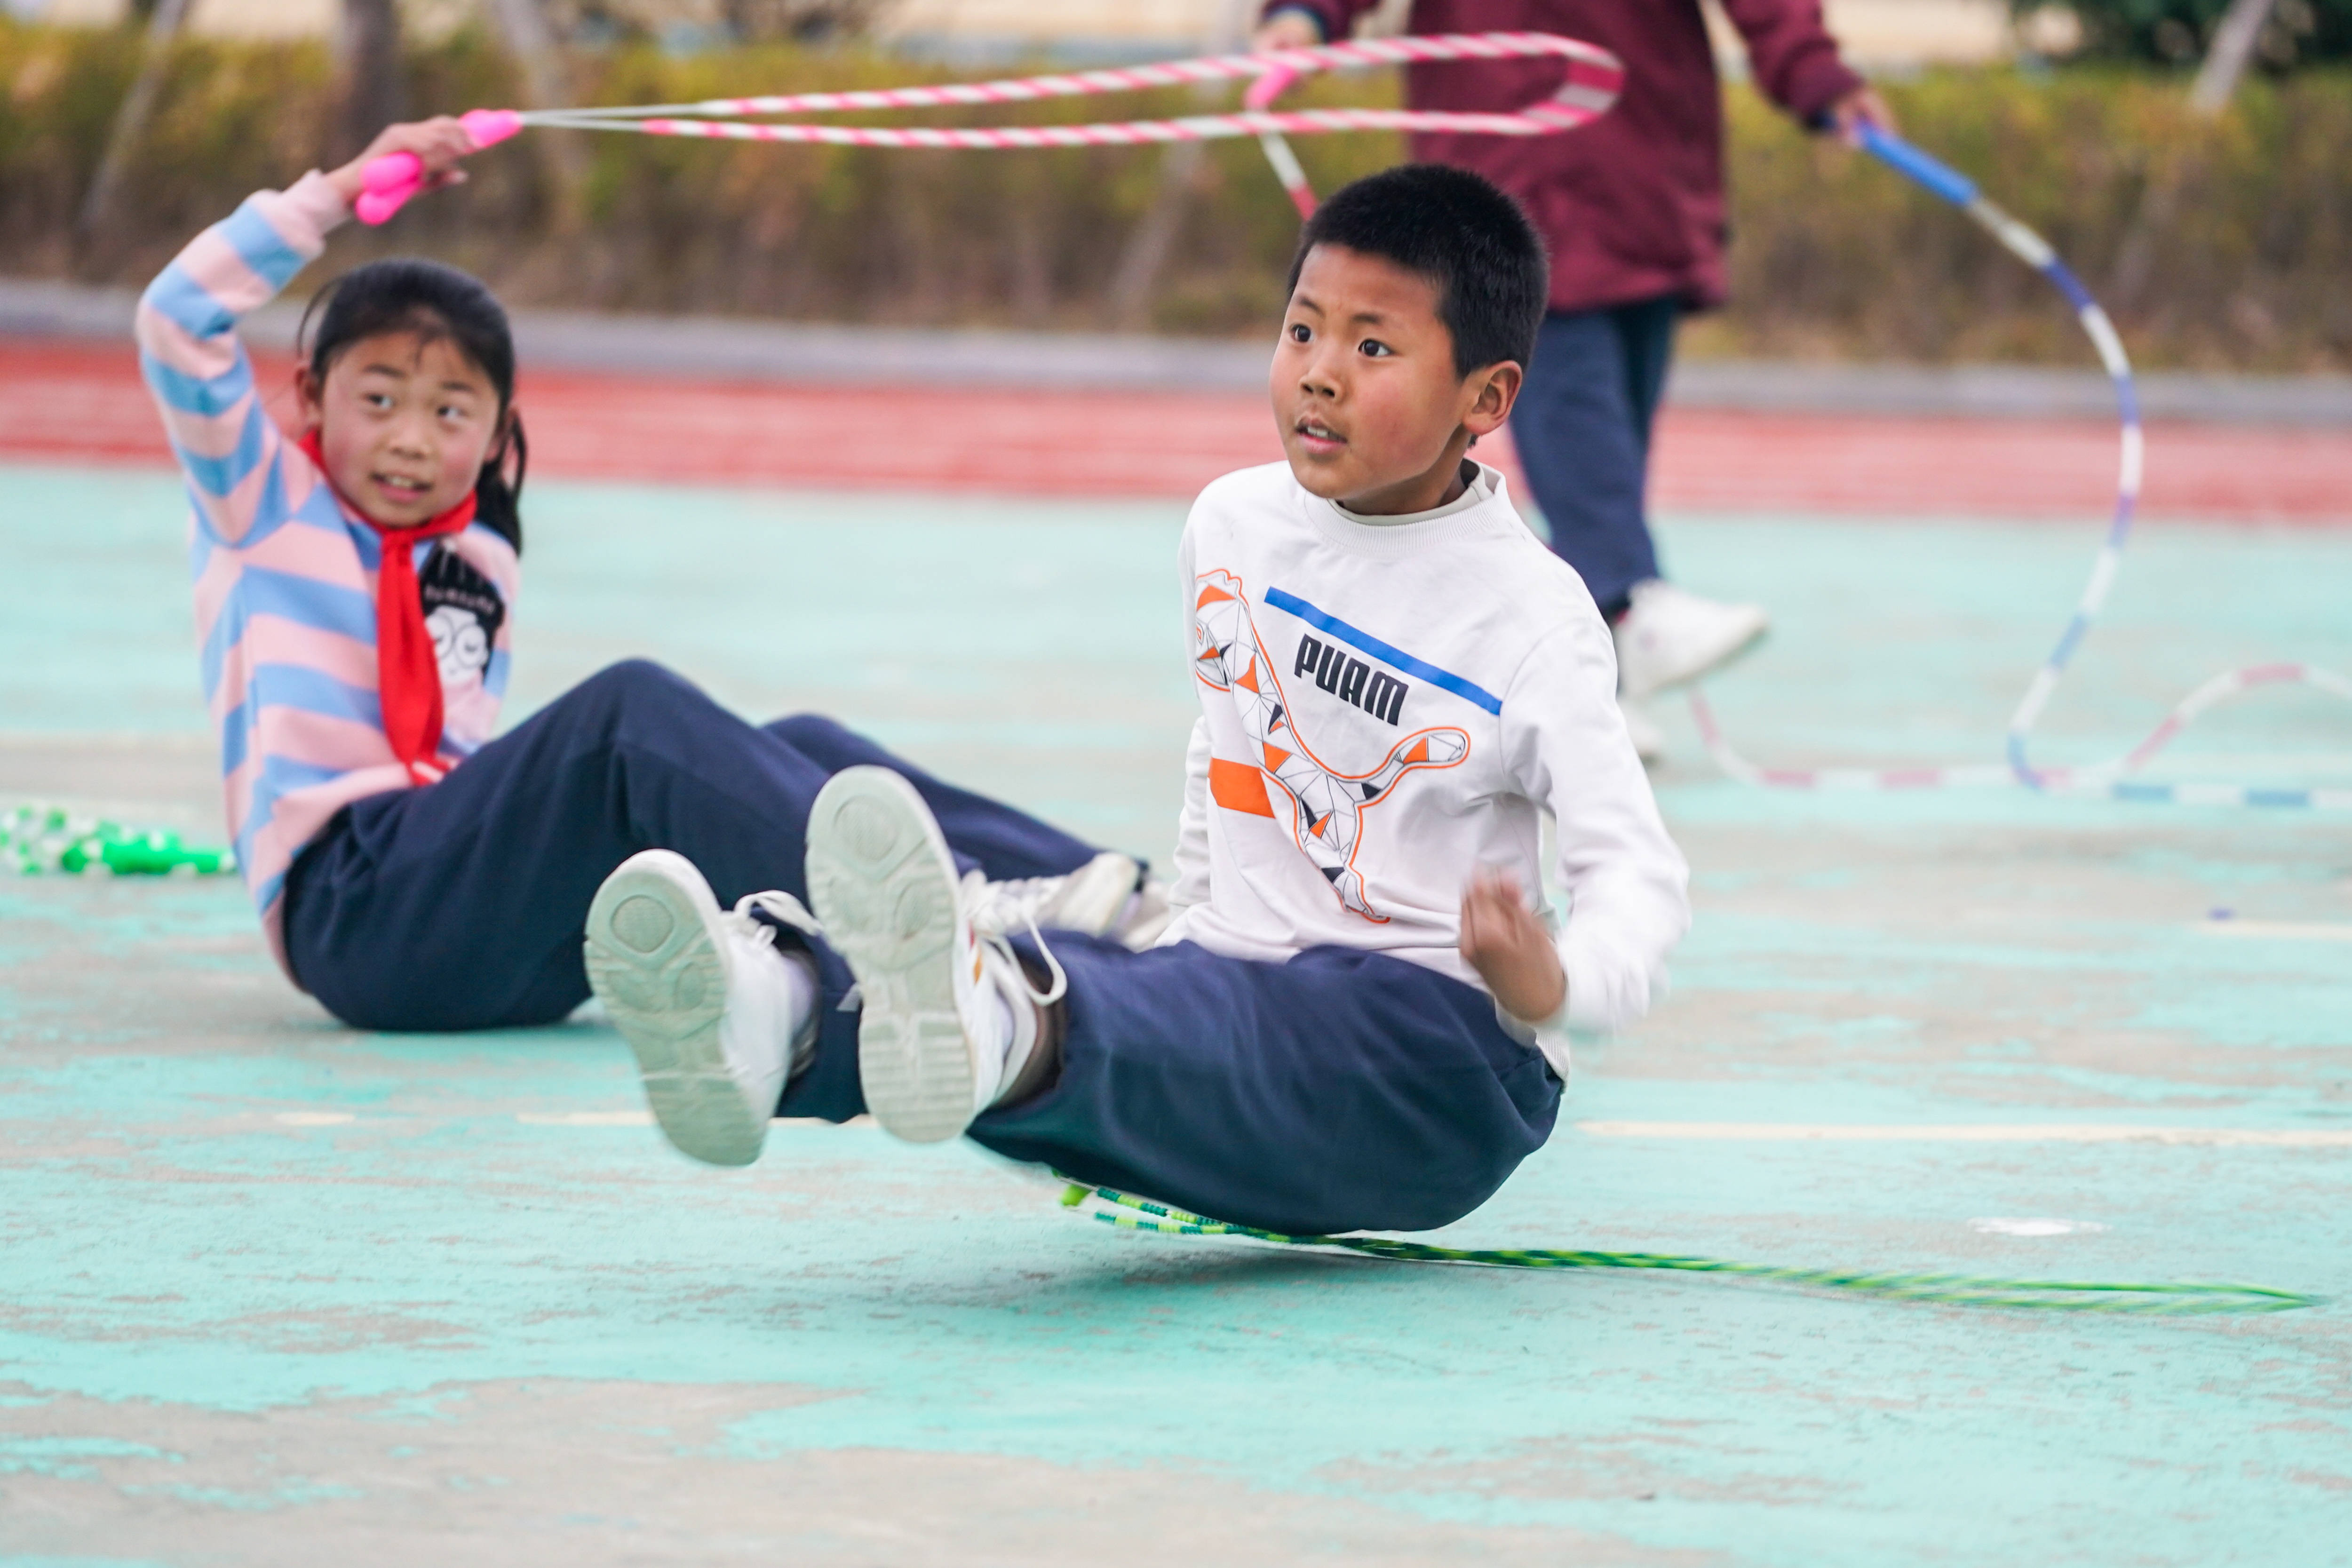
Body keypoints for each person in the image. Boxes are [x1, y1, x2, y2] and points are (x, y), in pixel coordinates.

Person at [592, 165, 1690, 1237]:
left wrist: (1555, 983)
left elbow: (1633, 873)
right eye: (1302, 330)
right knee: (817, 758)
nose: (1318, 373)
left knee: (1168, 1009)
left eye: (1372, 346)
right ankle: (772, 1014)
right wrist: (1190, 932)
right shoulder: (1233, 524)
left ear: (1485, 398)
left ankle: (989, 999)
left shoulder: (1532, 618)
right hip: (1238, 984)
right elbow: (1226, 754)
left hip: (1438, 1064)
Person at [137, 118, 1156, 1040]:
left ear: (496, 434)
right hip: (357, 916)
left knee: (802, 747)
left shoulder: (477, 549)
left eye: (451, 412)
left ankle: (1117, 904)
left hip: (502, 937)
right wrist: (342, 190)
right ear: (313, 395)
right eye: (380, 398)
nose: (410, 438)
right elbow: (177, 318)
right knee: (628, 714)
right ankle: (954, 916)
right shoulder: (264, 501)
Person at [1254, 0, 1896, 759]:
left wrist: (1814, 75)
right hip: (1505, 148)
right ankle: (1628, 606)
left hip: (1642, 147)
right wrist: (1304, 15)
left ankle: (1597, 681)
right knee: (1567, 381)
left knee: (1615, 423)